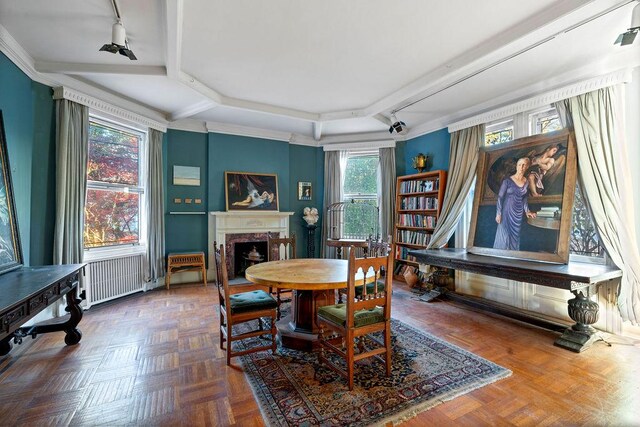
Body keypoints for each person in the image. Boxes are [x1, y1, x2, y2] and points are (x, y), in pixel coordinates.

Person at [493, 157, 536, 250]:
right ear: (516, 166)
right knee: (504, 236)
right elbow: (500, 198)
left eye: (524, 165)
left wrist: (527, 211)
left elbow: (524, 198)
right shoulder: (507, 181)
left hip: (518, 213)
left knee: (515, 237)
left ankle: (512, 259)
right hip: (506, 212)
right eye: (519, 164)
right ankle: (501, 258)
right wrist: (498, 213)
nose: (521, 167)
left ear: (527, 167)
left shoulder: (526, 182)